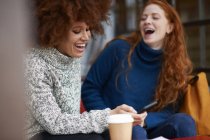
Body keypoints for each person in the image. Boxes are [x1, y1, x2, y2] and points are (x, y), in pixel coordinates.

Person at [25, 0, 143, 140]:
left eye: (87, 29)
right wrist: (108, 116)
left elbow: (72, 119)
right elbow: (55, 123)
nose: (86, 37)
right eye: (77, 31)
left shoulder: (71, 56)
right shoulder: (34, 63)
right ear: (55, 31)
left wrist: (113, 115)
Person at [82, 0, 197, 139]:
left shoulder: (175, 65)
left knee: (185, 122)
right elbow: (89, 88)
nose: (147, 21)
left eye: (155, 17)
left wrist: (145, 120)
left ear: (170, 27)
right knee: (136, 132)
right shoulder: (118, 49)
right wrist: (110, 116)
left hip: (148, 126)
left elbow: (169, 110)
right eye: (143, 18)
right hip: (115, 127)